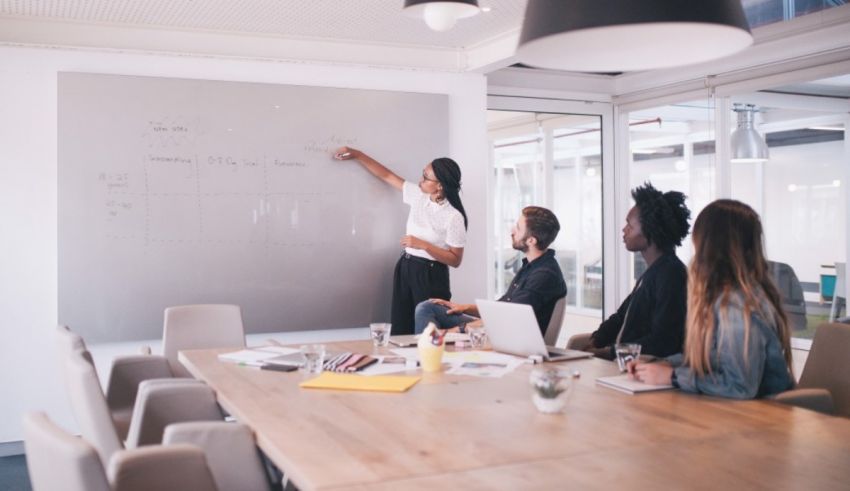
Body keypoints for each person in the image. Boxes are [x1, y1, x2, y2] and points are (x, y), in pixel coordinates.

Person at [629, 199, 794, 399]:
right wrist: (664, 364)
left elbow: (739, 386)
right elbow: (714, 357)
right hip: (738, 415)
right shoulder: (722, 298)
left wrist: (672, 377)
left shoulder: (736, 308)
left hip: (763, 420)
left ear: (708, 247)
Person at [333, 147, 467, 336]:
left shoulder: (453, 217)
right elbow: (387, 176)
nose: (420, 180)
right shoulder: (419, 196)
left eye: (426, 177)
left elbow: (455, 260)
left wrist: (424, 245)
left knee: (428, 334)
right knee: (401, 327)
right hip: (406, 266)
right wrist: (357, 154)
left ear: (440, 186)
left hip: (431, 275)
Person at [414, 206, 566, 337]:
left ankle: (428, 352)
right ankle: (429, 352)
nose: (512, 231)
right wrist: (463, 307)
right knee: (428, 307)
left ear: (531, 240)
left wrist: (459, 330)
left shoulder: (544, 275)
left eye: (518, 228)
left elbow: (508, 317)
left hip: (511, 335)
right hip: (503, 326)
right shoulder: (532, 266)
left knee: (432, 317)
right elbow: (504, 308)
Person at [585, 182, 691, 359]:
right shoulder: (655, 271)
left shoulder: (671, 275)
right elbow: (621, 316)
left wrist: (608, 353)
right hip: (627, 365)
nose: (624, 230)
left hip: (644, 369)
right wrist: (597, 339)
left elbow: (663, 341)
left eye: (630, 225)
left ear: (650, 230)